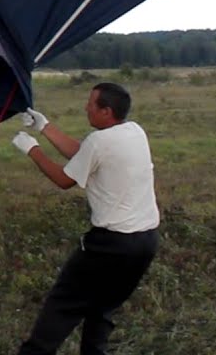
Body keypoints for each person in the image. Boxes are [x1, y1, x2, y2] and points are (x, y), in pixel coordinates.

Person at [12, 83, 160, 355]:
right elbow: (86, 155)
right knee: (102, 310)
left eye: (91, 104)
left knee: (62, 305)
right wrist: (44, 127)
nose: (85, 107)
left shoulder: (99, 141)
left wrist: (32, 149)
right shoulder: (134, 131)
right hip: (146, 242)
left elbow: (65, 179)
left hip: (111, 245)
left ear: (106, 112)